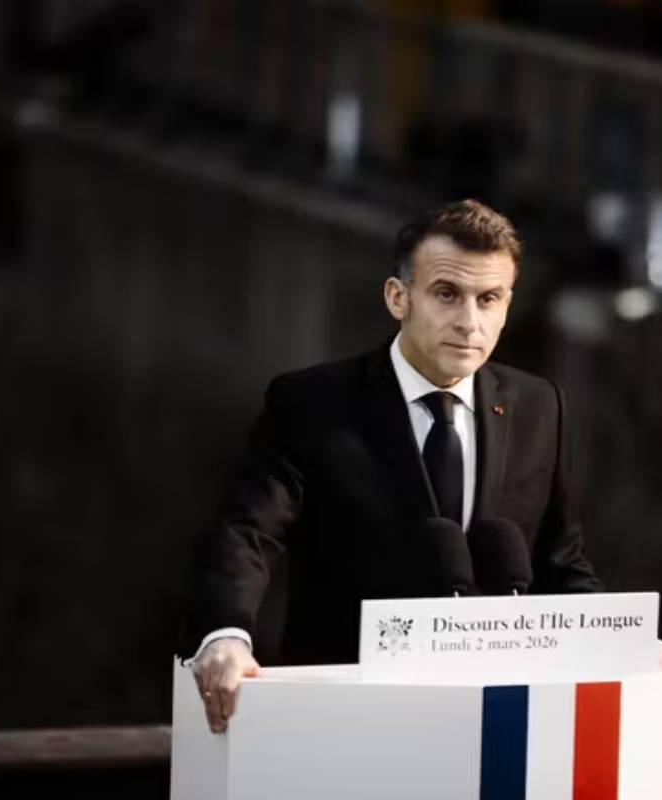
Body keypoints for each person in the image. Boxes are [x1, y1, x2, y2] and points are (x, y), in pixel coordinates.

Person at [187, 199, 600, 733]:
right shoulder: (311, 403)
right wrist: (226, 633)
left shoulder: (540, 405)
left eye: (488, 299)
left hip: (495, 725)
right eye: (447, 294)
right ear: (398, 297)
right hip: (343, 717)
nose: (469, 322)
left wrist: (621, 647)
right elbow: (248, 531)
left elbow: (561, 559)